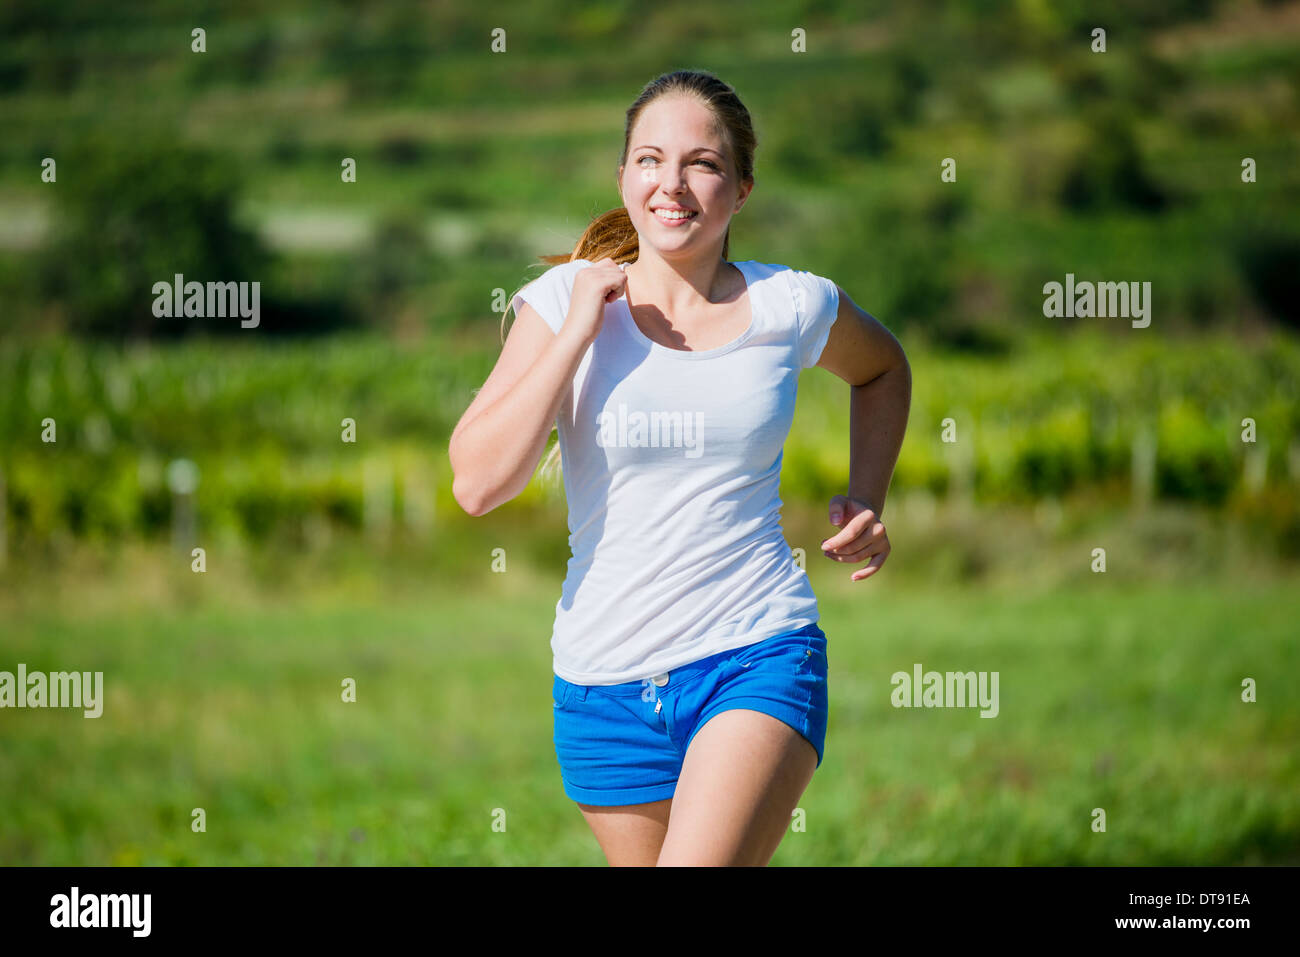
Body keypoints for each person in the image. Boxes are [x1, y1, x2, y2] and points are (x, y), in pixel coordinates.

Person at [449, 69, 911, 865]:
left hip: (756, 650)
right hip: (602, 680)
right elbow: (479, 485)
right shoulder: (562, 302)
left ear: (741, 189)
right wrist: (574, 337)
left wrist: (867, 494)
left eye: (701, 163)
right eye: (650, 159)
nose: (673, 183)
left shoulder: (791, 305)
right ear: (623, 177)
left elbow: (884, 369)